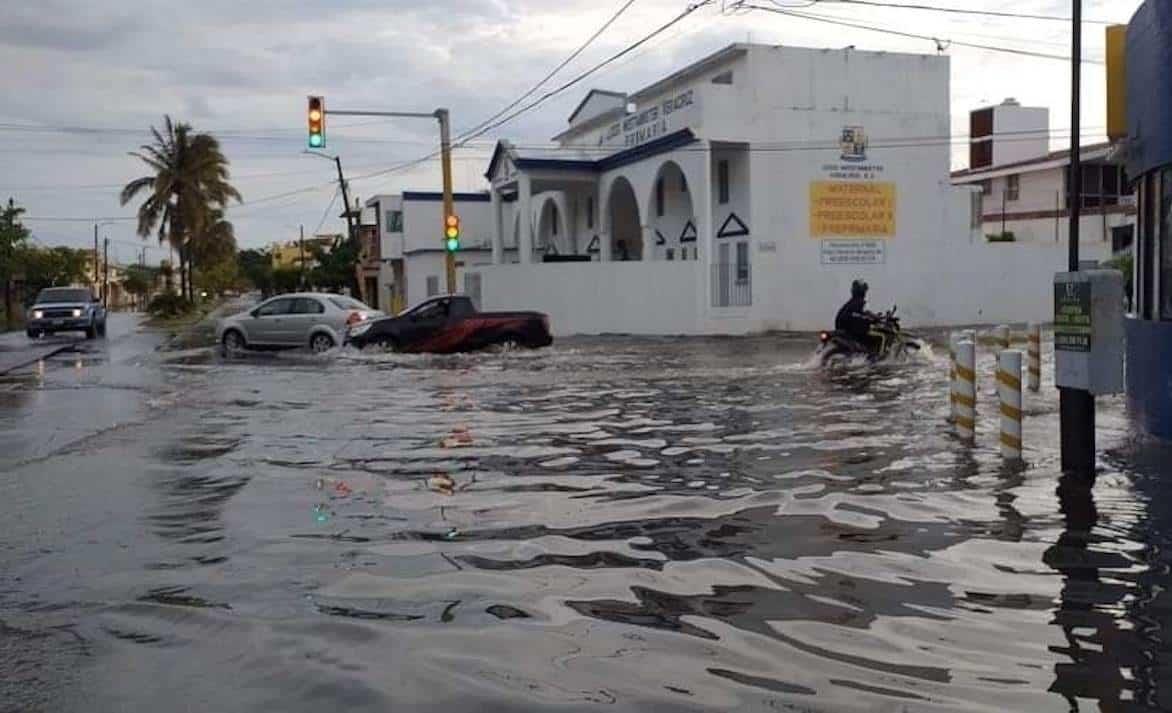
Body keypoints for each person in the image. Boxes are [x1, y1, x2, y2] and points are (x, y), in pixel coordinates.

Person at [834, 279, 879, 353]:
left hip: (843, 329)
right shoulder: (862, 302)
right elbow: (868, 312)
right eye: (864, 290)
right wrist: (877, 318)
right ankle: (872, 355)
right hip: (853, 331)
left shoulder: (850, 303)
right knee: (874, 337)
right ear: (862, 291)